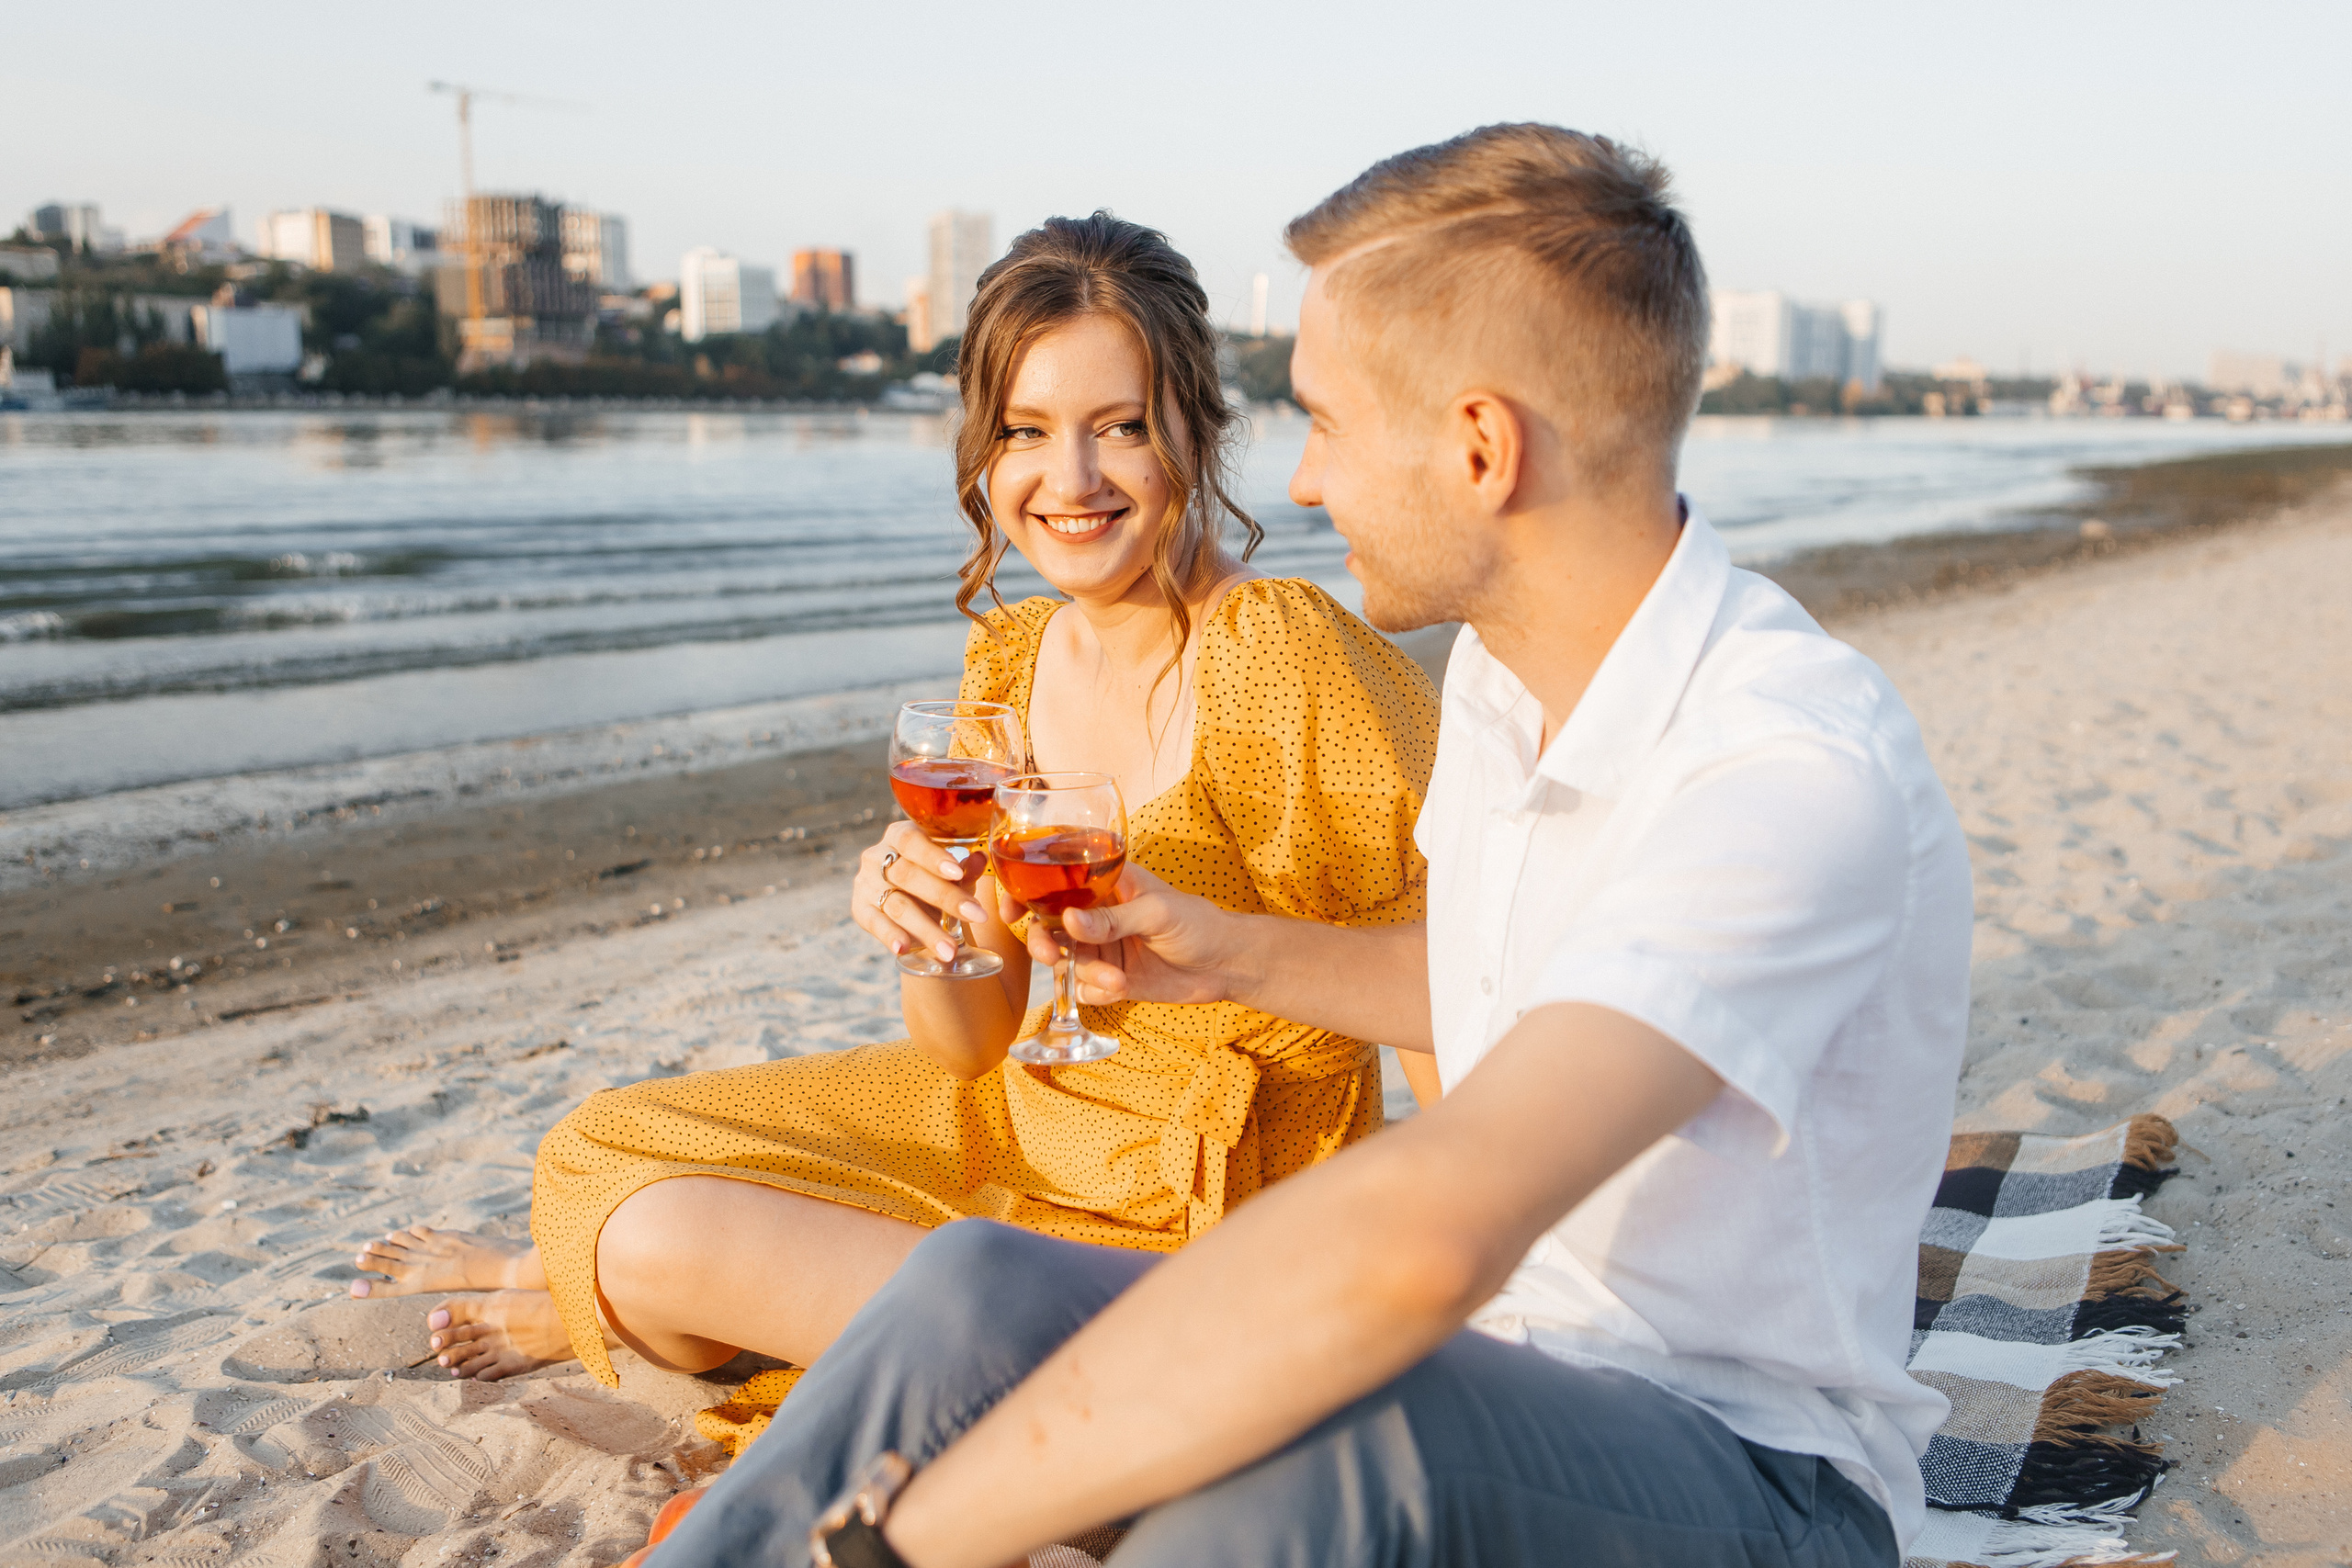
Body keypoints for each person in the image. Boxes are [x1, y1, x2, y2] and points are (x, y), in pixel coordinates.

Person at [649, 125, 1973, 1568]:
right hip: (1496, 1357)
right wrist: (1223, 950)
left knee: (1335, 1452)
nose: (1307, 477)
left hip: (1746, 1464)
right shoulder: (1501, 681)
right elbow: (1487, 979)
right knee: (970, 1287)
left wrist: (904, 1542)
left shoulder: (1784, 770)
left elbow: (1419, 1233)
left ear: (1480, 446)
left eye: (1328, 420)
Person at [345, 213, 1438, 1385]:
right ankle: (602, 1284)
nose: (1069, 482)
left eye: (1119, 428)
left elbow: (1470, 968)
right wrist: (937, 930)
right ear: (984, 447)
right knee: (598, 1148)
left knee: (652, 1241)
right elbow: (970, 1047)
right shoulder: (1011, 664)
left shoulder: (1279, 652)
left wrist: (1458, 1279)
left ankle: (584, 1292)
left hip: (1210, 1208)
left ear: (1196, 426)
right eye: (1026, 432)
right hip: (1018, 1120)